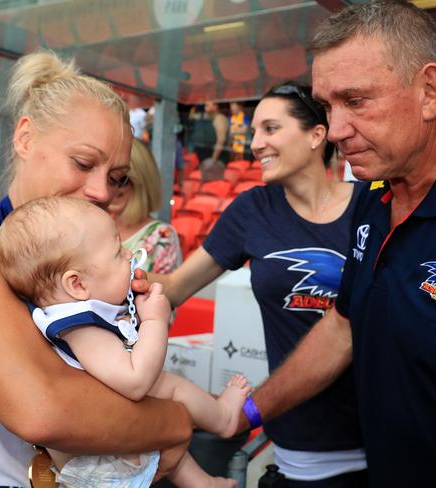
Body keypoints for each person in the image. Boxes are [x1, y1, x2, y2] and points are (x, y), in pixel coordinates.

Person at [231, 2, 436, 487]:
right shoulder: (376, 193)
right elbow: (345, 326)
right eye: (327, 106)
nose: (335, 131)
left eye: (356, 101)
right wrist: (247, 411)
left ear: (430, 91)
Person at [0, 51, 193, 487]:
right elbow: (44, 409)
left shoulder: (82, 260)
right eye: (82, 163)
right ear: (24, 138)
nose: (100, 192)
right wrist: (176, 421)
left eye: (117, 177)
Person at [152, 81, 367, 487]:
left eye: (270, 129)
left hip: (385, 440)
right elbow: (177, 287)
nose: (254, 144)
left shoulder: (371, 204)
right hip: (301, 452)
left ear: (316, 135)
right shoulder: (253, 209)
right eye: (253, 132)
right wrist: (118, 275)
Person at [0, 196, 248, 487]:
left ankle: (203, 483)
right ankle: (224, 418)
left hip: (103, 451)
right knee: (167, 386)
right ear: (77, 284)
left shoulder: (69, 312)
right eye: (118, 253)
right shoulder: (80, 328)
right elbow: (136, 381)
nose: (130, 256)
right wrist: (155, 321)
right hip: (104, 461)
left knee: (163, 411)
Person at [108, 139, 182, 274]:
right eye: (109, 179)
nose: (112, 188)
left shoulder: (161, 235)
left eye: (122, 180)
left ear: (142, 182)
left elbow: (167, 291)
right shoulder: (97, 225)